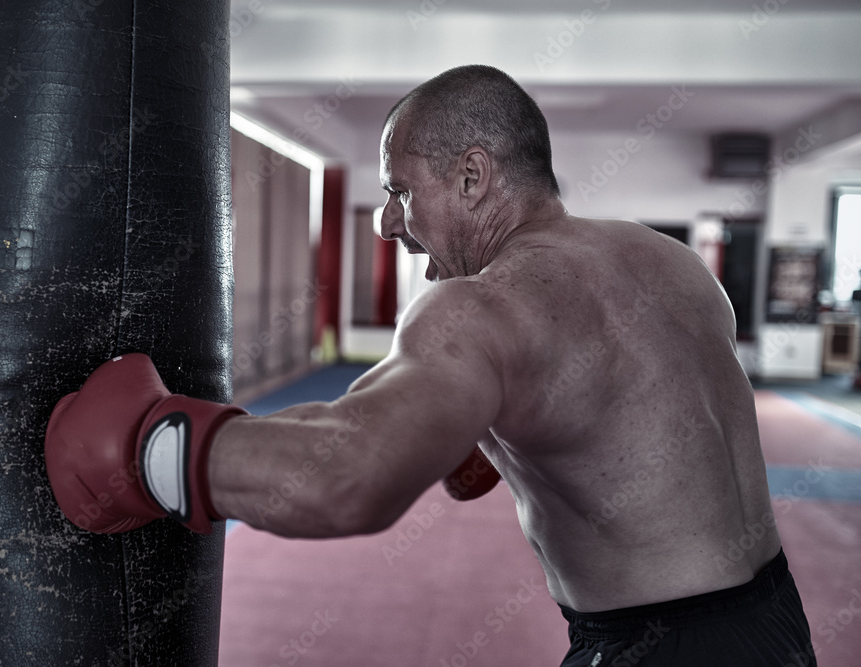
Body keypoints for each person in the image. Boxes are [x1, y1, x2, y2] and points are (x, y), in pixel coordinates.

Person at [45, 65, 816, 666]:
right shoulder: (676, 264)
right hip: (778, 624)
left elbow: (343, 476)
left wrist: (153, 449)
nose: (387, 223)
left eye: (399, 190)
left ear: (473, 177)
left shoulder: (485, 309)